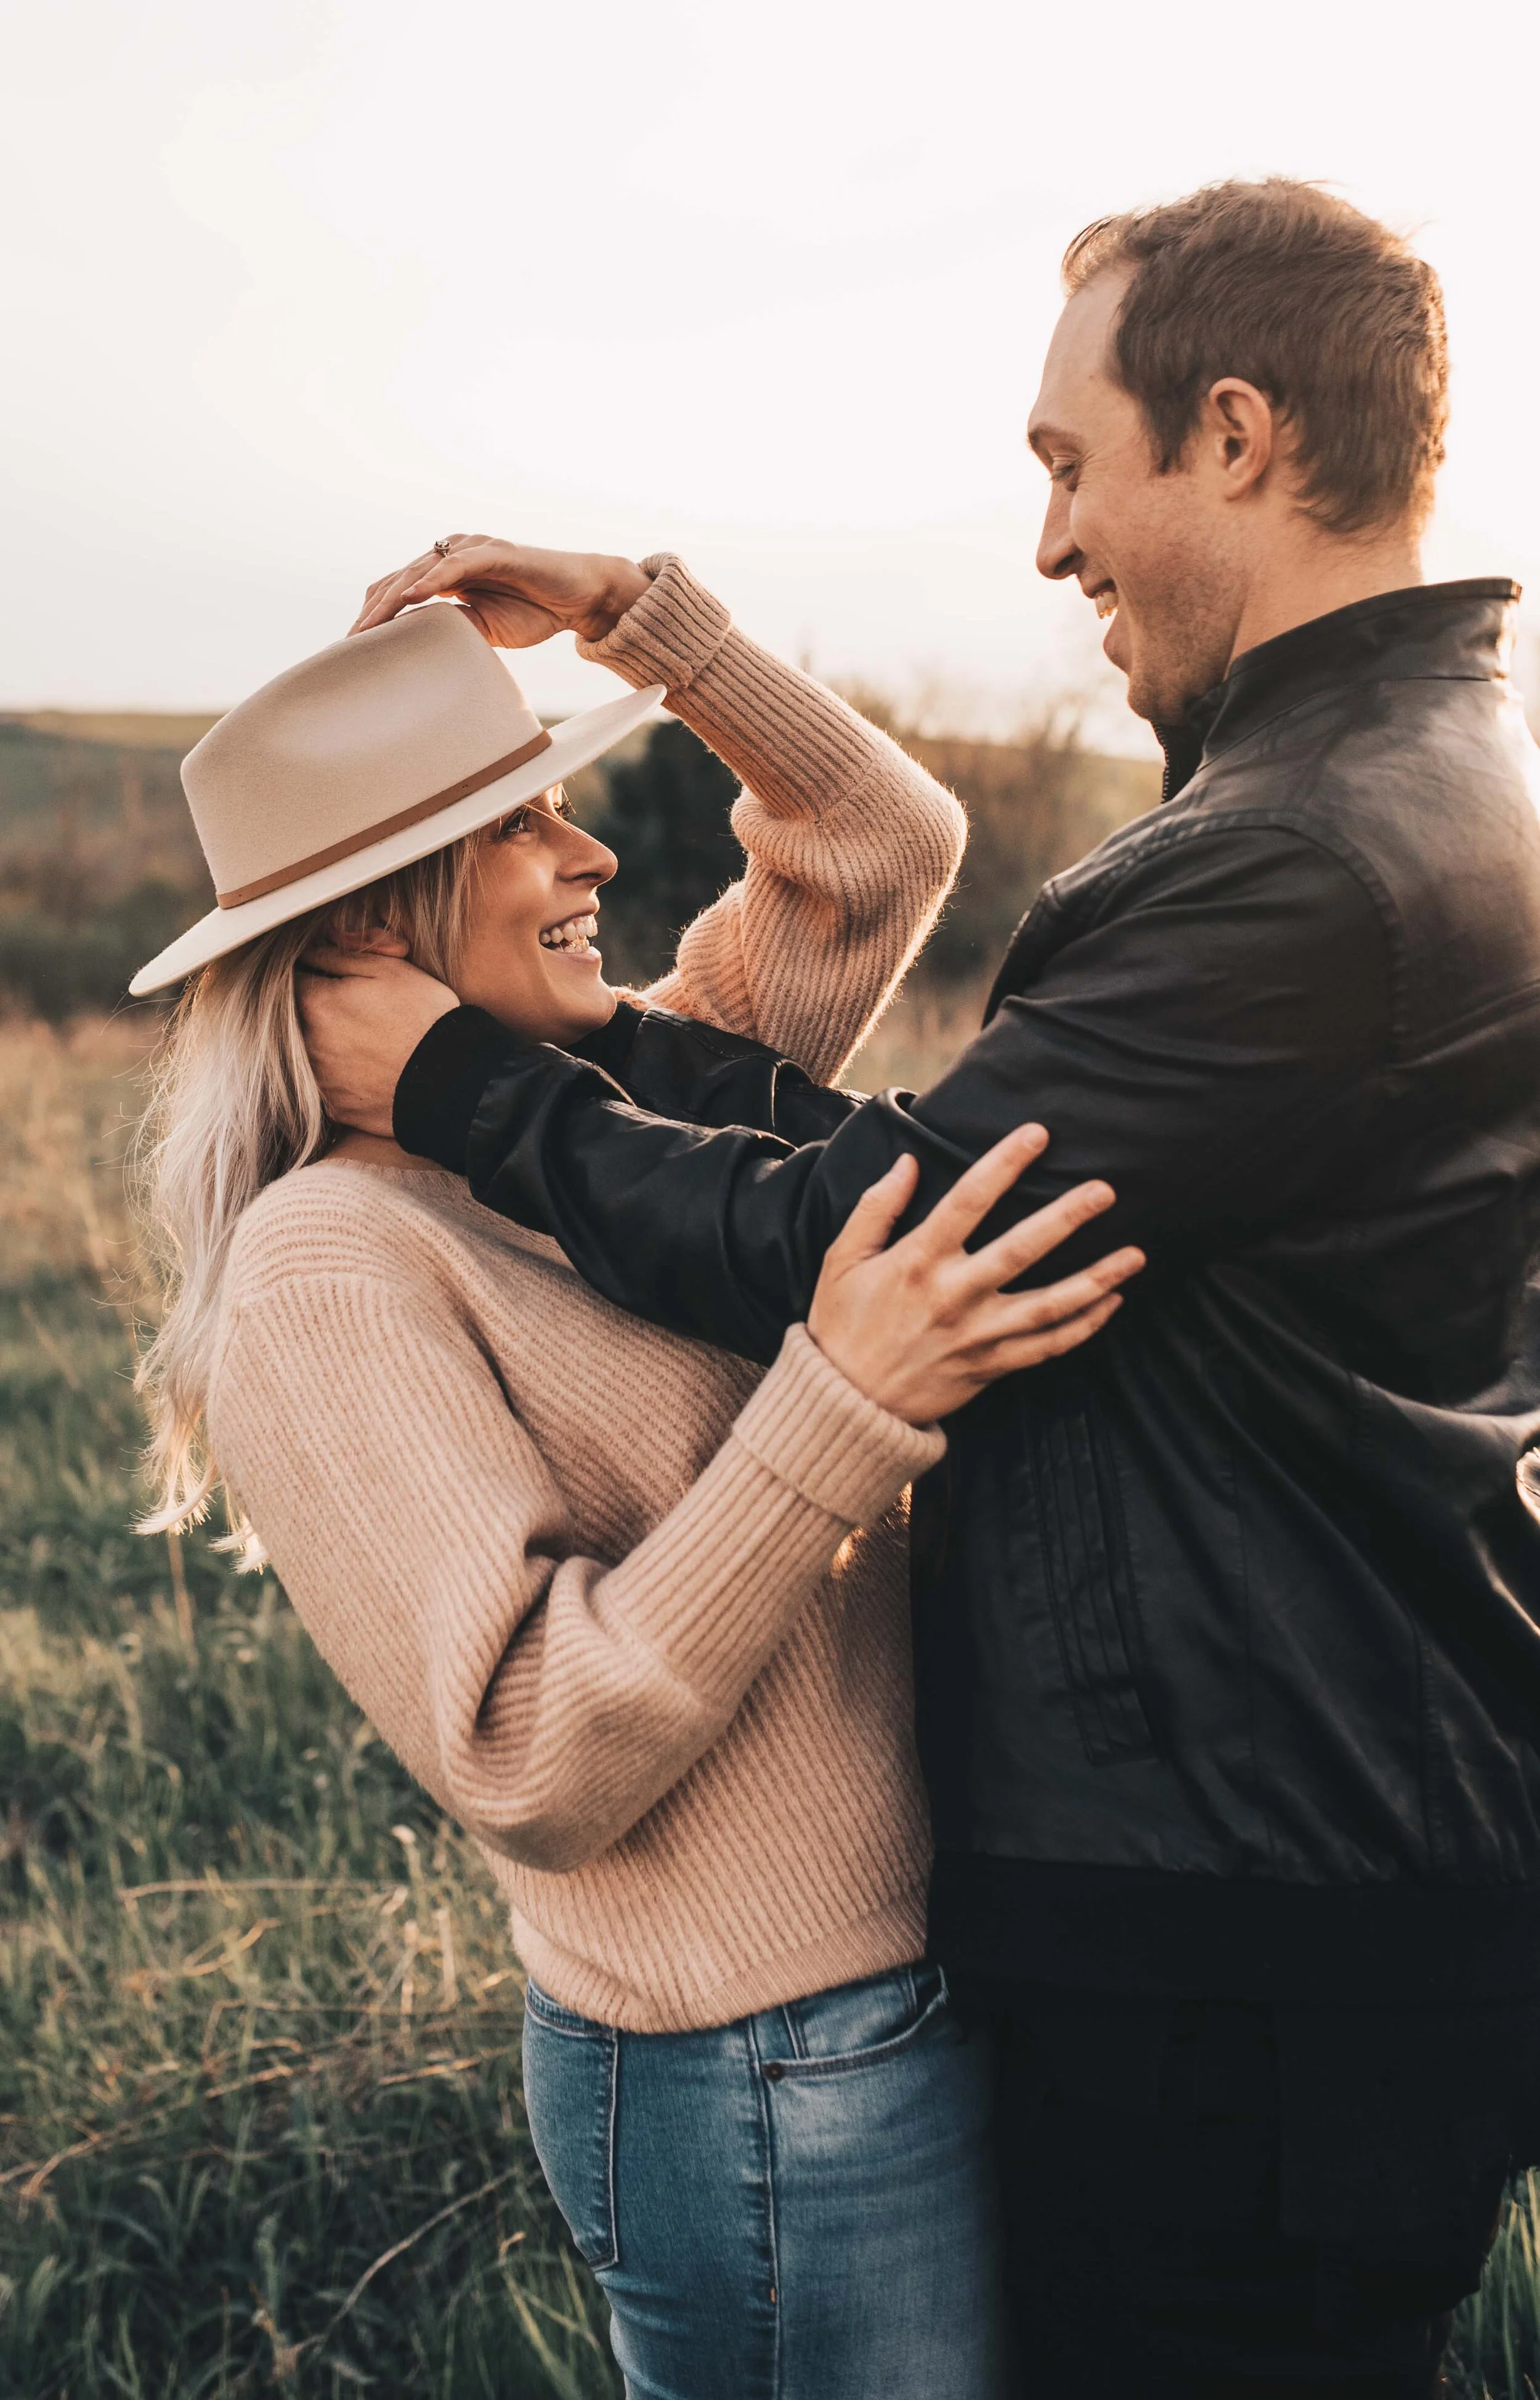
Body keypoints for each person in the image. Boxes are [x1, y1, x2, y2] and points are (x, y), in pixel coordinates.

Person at [302, 182, 1540, 2399]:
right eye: (518, 827)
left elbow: (850, 1222)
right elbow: (837, 1144)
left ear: (1235, 434)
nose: (1047, 542)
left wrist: (482, 1084)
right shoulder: (1369, 796)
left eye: (1068, 462)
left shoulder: (1303, 848)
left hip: (1247, 1925)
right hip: (1177, 1923)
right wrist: (649, 628)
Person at [129, 551, 1144, 2400]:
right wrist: (840, 1400)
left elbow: (875, 845)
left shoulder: (612, 1110)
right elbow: (525, 1749)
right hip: (753, 2068)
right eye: (529, 823)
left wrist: (637, 615)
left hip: (931, 1977)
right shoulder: (329, 1263)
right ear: (372, 928)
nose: (596, 861)